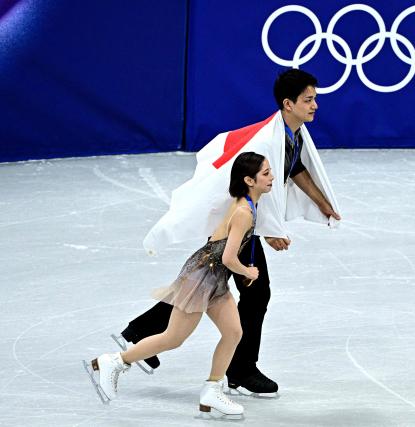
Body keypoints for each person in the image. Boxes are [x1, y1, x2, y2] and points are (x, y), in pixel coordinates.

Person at [111, 69, 341, 397]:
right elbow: (258, 189)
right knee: (252, 291)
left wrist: (324, 203)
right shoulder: (267, 141)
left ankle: (139, 332)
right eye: (309, 99)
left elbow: (297, 169)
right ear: (289, 104)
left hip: (242, 221)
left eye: (315, 98)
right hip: (235, 220)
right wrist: (272, 229)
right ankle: (240, 370)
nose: (315, 105)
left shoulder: (292, 133)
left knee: (205, 282)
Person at [84, 152, 274, 419]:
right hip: (202, 277)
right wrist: (248, 271)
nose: (272, 177)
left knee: (233, 333)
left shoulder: (249, 205)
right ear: (248, 180)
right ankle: (115, 361)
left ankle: (211, 391)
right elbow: (229, 258)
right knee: (173, 338)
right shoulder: (243, 211)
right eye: (265, 173)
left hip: (213, 276)